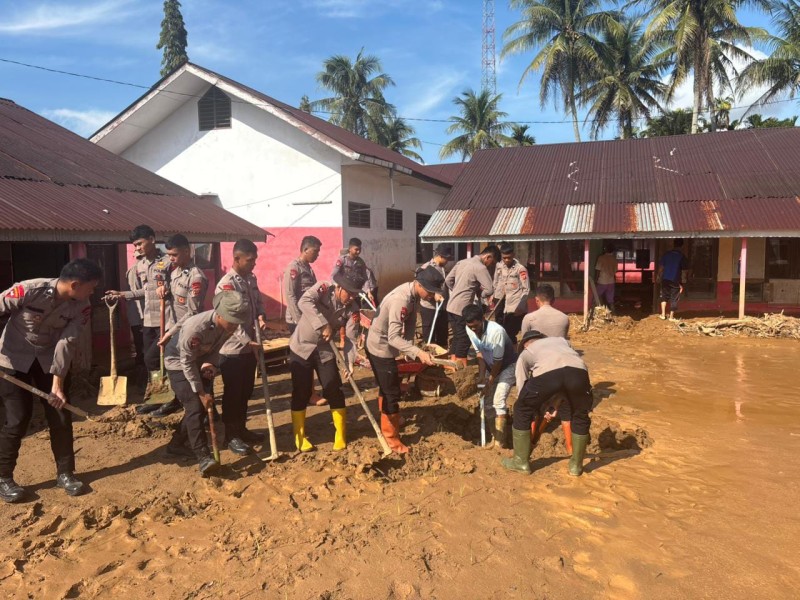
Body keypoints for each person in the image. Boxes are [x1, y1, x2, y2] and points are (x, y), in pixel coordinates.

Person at [0, 259, 102, 502]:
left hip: (48, 362)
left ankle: (65, 474)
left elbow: (67, 343)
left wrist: (57, 385)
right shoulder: (29, 290)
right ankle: (3, 478)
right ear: (75, 284)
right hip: (12, 360)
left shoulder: (82, 306)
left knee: (59, 414)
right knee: (18, 418)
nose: (93, 291)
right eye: (92, 286)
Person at [162, 292, 251, 477]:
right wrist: (201, 392)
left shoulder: (228, 326)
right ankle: (203, 456)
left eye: (237, 322)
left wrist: (210, 364)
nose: (235, 326)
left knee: (203, 408)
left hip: (199, 360)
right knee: (195, 405)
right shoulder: (195, 329)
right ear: (219, 314)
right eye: (232, 321)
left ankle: (176, 444)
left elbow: (215, 348)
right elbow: (186, 362)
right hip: (177, 363)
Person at [365, 267, 444, 453]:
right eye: (430, 292)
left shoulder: (414, 295)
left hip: (388, 346)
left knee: (389, 384)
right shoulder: (401, 299)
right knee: (392, 392)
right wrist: (418, 352)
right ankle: (391, 438)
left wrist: (409, 346)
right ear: (419, 285)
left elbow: (409, 323)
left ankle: (391, 417)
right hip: (380, 347)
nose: (432, 296)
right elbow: (393, 337)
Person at [289, 272, 365, 452]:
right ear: (338, 288)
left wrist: (348, 363)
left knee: (333, 388)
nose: (352, 297)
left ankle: (340, 433)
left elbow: (351, 340)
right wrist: (323, 324)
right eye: (349, 293)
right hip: (302, 347)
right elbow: (303, 302)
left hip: (325, 351)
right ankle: (299, 437)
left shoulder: (352, 309)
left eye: (355, 294)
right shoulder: (323, 289)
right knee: (301, 390)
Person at [503, 330, 592, 476]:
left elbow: (521, 386)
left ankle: (520, 462)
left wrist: (529, 408)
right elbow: (566, 369)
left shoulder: (526, 353)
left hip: (549, 375)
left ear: (525, 344)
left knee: (521, 408)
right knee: (580, 414)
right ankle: (576, 466)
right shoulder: (561, 341)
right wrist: (555, 404)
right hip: (579, 372)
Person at [107, 225, 170, 414]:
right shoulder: (141, 266)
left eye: (140, 243)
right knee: (150, 361)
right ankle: (158, 397)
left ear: (151, 239)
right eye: (135, 245)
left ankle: (170, 398)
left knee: (162, 359)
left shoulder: (167, 262)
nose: (138, 248)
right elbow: (145, 292)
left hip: (166, 320)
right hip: (149, 320)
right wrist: (122, 294)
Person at [147, 234, 209, 418]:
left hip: (188, 331)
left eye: (173, 255)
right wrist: (162, 288)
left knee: (192, 370)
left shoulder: (196, 277)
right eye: (169, 255)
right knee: (152, 359)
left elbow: (192, 313)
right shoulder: (174, 272)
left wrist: (169, 333)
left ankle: (202, 411)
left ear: (186, 251)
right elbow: (158, 274)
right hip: (173, 326)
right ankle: (175, 400)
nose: (170, 258)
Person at [215, 239, 267, 456]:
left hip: (250, 347)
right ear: (236, 258)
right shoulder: (226, 284)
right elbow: (228, 320)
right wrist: (248, 341)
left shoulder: (250, 279)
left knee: (246, 392)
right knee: (233, 394)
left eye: (255, 259)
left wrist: (262, 316)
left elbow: (257, 302)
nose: (253, 263)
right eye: (250, 260)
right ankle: (231, 435)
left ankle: (242, 429)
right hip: (233, 349)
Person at [463, 304, 517, 449]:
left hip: (507, 366)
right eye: (470, 326)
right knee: (486, 404)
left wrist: (489, 381)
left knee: (498, 400)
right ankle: (494, 437)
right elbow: (479, 354)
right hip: (489, 366)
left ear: (482, 318)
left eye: (475, 326)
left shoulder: (496, 332)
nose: (473, 329)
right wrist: (482, 376)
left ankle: (501, 443)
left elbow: (498, 362)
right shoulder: (469, 329)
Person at [445, 246, 499, 366]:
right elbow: (489, 290)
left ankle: (451, 364)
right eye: (492, 262)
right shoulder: (480, 267)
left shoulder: (462, 262)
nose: (490, 265)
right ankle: (460, 367)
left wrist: (457, 291)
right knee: (464, 338)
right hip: (462, 309)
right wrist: (480, 294)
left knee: (457, 336)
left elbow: (448, 280)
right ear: (488, 257)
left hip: (451, 306)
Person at [331, 238, 377, 367]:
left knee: (351, 320)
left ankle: (349, 359)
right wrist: (338, 288)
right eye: (356, 249)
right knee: (338, 319)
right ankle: (340, 342)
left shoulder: (360, 262)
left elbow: (365, 277)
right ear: (350, 248)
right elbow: (334, 274)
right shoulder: (342, 260)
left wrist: (367, 291)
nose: (358, 251)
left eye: (360, 249)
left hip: (353, 292)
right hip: (341, 291)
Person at [492, 243, 530, 341]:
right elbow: (495, 281)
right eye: (504, 258)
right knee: (499, 329)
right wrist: (493, 295)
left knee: (510, 333)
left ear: (513, 255)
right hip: (499, 300)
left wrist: (521, 305)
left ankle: (512, 354)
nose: (506, 260)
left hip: (513, 304)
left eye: (509, 258)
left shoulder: (520, 269)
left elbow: (526, 289)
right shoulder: (499, 266)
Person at [284, 236, 321, 335]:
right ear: (305, 250)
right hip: (296, 319)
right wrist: (299, 320)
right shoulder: (294, 268)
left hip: (307, 316)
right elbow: (290, 295)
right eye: (315, 251)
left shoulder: (309, 269)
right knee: (300, 349)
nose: (318, 255)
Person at [418, 244, 451, 349]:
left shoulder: (443, 269)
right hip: (429, 307)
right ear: (440, 256)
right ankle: (429, 356)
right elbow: (420, 286)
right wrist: (433, 295)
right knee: (429, 334)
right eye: (447, 258)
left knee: (442, 332)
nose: (448, 261)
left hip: (442, 306)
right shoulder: (425, 268)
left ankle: (442, 354)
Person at [657, 239, 688, 321]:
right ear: (682, 246)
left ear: (673, 244)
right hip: (675, 280)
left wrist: (658, 276)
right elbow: (685, 270)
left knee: (664, 296)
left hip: (665, 279)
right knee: (674, 298)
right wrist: (683, 282)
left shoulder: (666, 254)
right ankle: (671, 317)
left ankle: (663, 315)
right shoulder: (681, 256)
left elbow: (661, 268)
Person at [125, 251, 145, 369]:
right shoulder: (135, 270)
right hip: (139, 313)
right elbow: (135, 293)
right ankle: (140, 367)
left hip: (141, 312)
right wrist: (141, 315)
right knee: (140, 343)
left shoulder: (141, 269)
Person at [594, 244, 617, 311]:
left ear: (605, 249)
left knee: (596, 296)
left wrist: (596, 280)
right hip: (611, 281)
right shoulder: (614, 259)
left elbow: (598, 270)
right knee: (610, 298)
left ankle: (593, 310)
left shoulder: (601, 258)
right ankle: (613, 310)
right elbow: (615, 271)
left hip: (602, 281)